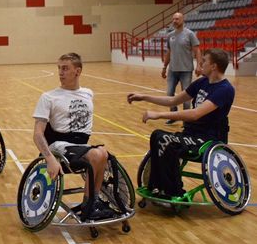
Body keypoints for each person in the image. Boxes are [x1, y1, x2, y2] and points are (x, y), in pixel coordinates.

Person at [127, 48, 234, 198]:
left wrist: (159, 115)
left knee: (166, 140)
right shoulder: (202, 82)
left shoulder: (225, 89)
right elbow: (173, 100)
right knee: (157, 135)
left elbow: (195, 114)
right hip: (191, 134)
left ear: (214, 66)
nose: (200, 63)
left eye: (204, 61)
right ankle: (157, 186)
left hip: (207, 139)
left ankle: (172, 190)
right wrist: (144, 97)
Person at [32, 52, 114, 220]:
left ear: (78, 71)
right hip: (58, 147)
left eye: (65, 68)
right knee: (97, 154)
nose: (60, 73)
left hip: (79, 146)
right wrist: (50, 159)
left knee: (104, 153)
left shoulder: (88, 93)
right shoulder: (48, 97)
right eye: (59, 68)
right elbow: (37, 134)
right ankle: (90, 206)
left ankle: (91, 202)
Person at [162, 12, 202, 125]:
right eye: (173, 19)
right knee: (169, 94)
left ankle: (186, 119)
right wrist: (164, 67)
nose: (175, 21)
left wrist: (199, 65)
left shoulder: (190, 34)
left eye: (177, 19)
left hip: (186, 70)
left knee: (186, 96)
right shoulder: (170, 36)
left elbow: (197, 50)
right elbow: (169, 52)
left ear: (182, 20)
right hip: (172, 70)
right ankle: (174, 115)